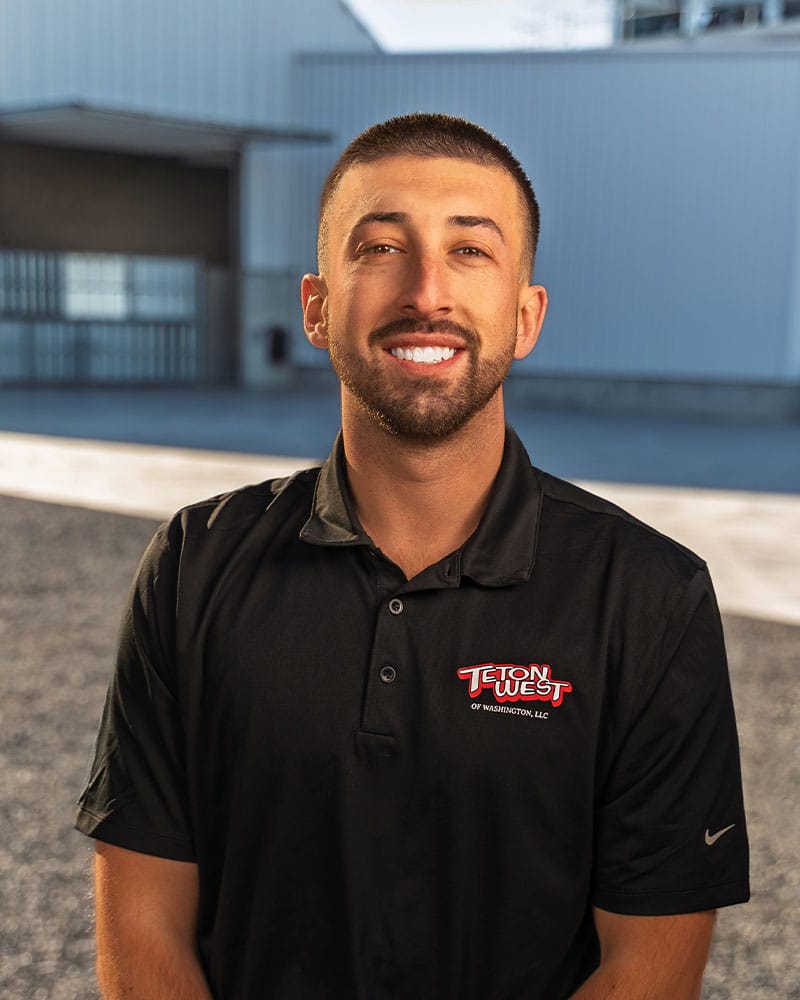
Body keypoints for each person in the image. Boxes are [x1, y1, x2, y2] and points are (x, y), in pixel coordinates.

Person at [76, 113, 749, 999]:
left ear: (525, 314)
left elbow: (652, 960)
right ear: (317, 307)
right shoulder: (194, 565)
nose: (426, 291)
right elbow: (142, 921)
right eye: (382, 246)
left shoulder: (649, 595)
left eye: (470, 251)